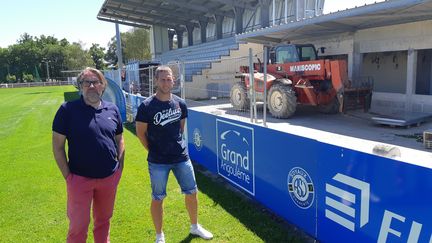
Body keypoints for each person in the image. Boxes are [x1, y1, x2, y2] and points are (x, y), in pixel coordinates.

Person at [135, 66, 213, 243]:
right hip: (157, 161)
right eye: (162, 79)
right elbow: (141, 133)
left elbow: (180, 128)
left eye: (169, 79)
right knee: (158, 198)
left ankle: (195, 226)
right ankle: (159, 235)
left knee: (192, 192)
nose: (166, 82)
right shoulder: (146, 106)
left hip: (181, 158)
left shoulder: (180, 103)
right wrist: (154, 150)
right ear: (156, 81)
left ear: (173, 81)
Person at [52, 67, 125, 243]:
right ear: (80, 86)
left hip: (109, 177)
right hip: (79, 179)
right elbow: (58, 147)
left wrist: (119, 168)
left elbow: (119, 139)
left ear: (103, 86)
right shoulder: (67, 110)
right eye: (87, 82)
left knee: (103, 222)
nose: (92, 86)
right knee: (78, 226)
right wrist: (69, 177)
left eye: (96, 82)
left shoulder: (112, 110)